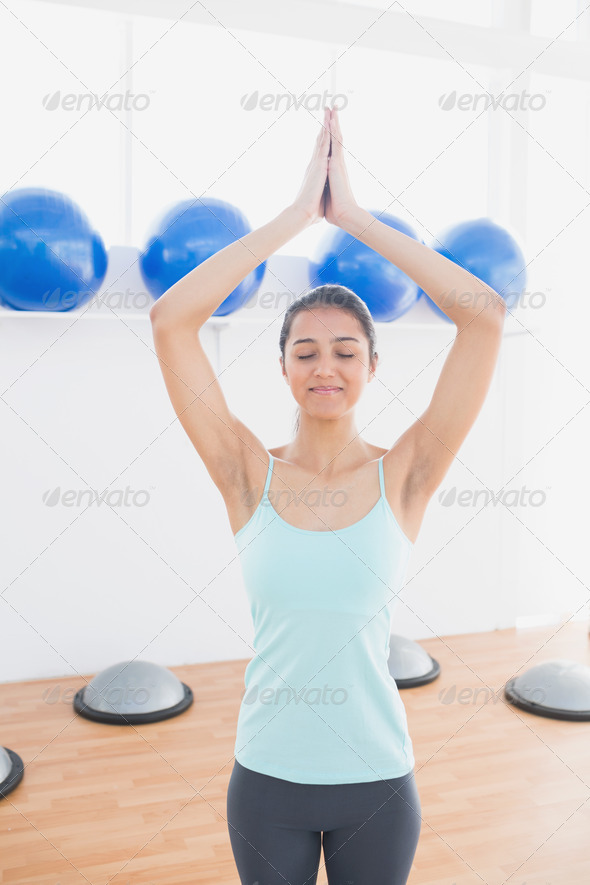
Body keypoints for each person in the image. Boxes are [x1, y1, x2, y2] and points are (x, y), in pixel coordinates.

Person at [149, 106, 506, 885]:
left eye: (346, 351)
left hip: (377, 782)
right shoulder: (246, 471)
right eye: (305, 351)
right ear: (283, 369)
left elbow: (483, 317)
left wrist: (354, 218)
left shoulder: (405, 473)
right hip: (267, 780)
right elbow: (171, 320)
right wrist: (293, 215)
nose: (325, 366)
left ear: (372, 367)